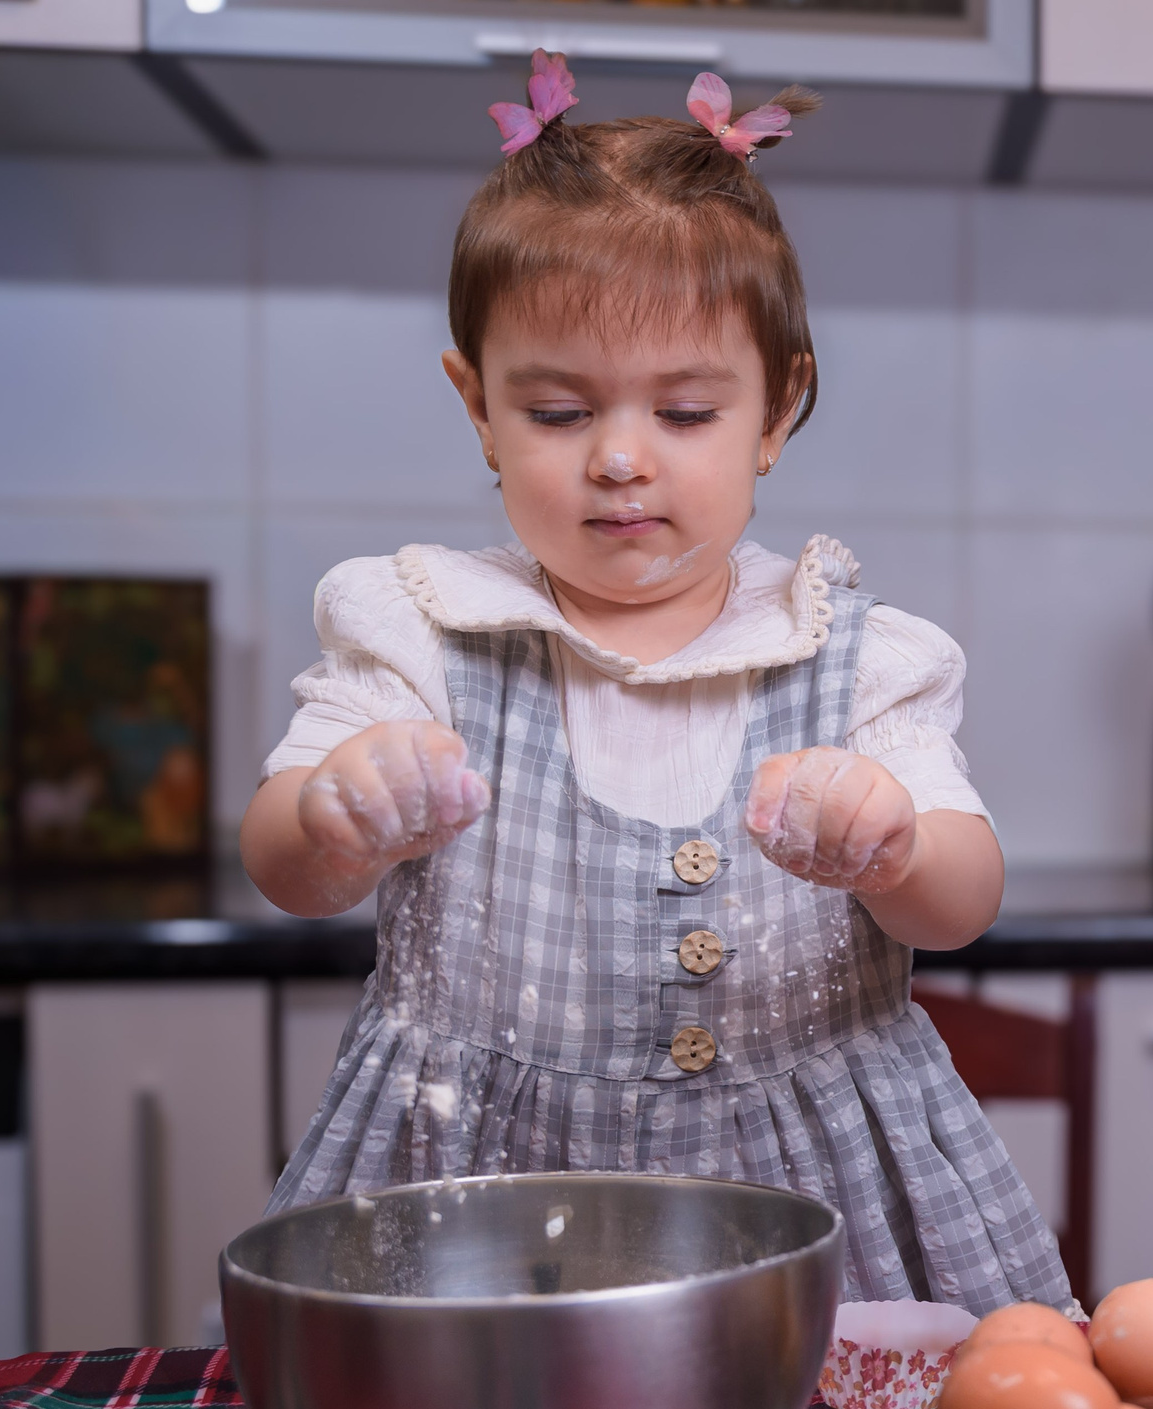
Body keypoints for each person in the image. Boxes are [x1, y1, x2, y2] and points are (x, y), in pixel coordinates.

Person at [240, 55, 1071, 1314]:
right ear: (477, 407)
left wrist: (893, 847)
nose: (621, 460)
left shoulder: (851, 657)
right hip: (482, 1209)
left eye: (684, 413)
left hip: (817, 1225)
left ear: (777, 409)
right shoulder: (425, 635)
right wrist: (334, 814)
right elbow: (284, 869)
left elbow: (963, 906)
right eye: (558, 413)